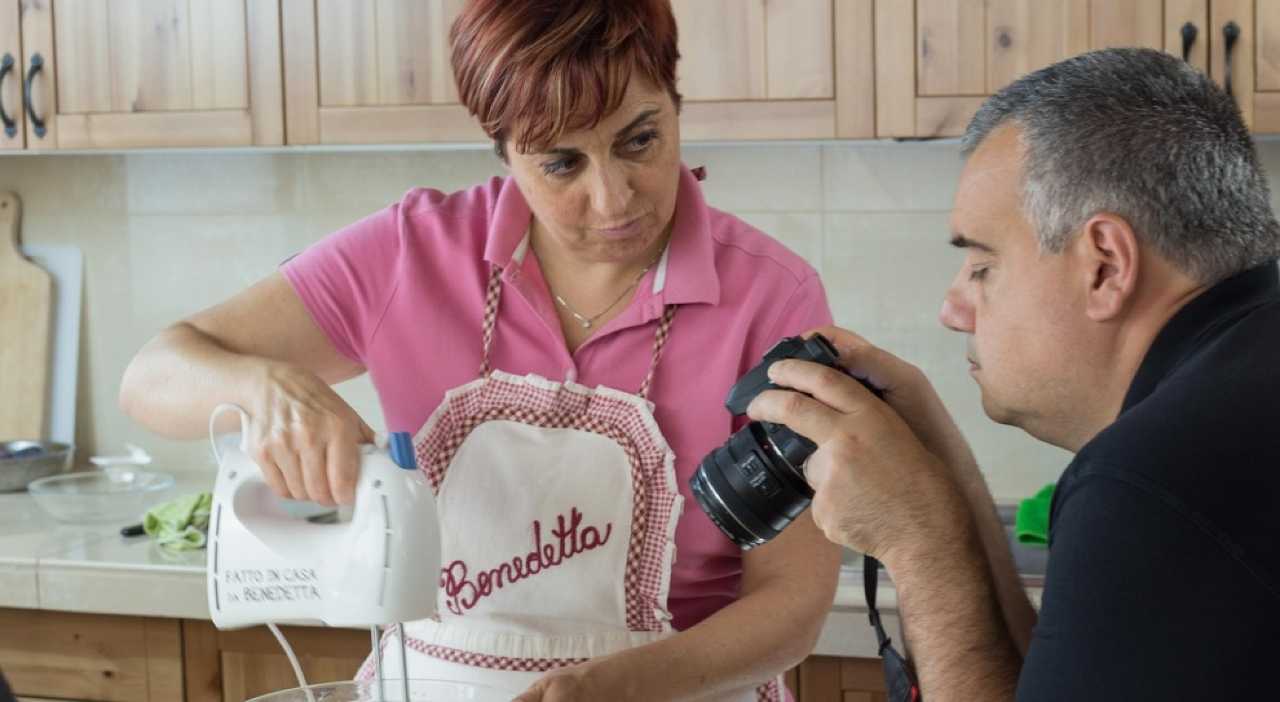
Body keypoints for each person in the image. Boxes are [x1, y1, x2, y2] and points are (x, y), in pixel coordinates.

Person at [119, 1, 840, 700]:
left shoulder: (770, 299)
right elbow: (152, 376)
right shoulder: (411, 254)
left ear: (676, 106)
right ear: (503, 150)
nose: (614, 199)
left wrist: (614, 687)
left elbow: (794, 601)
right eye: (561, 164)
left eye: (639, 140)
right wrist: (264, 389)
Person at [748, 47, 1280, 701]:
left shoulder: (1151, 484)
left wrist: (918, 546)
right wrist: (939, 454)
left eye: (982, 265)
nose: (952, 310)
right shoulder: (1245, 374)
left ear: (1106, 265)